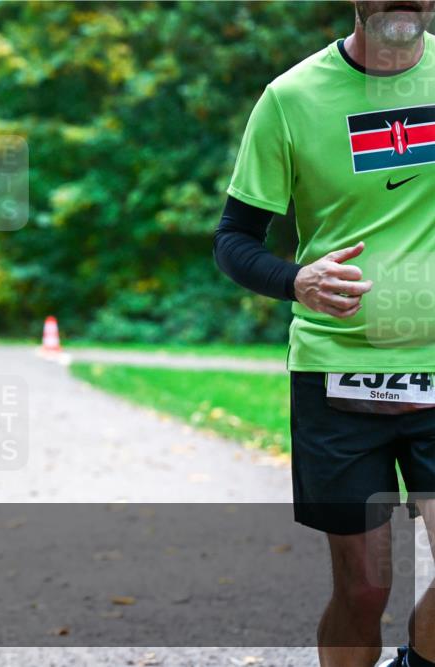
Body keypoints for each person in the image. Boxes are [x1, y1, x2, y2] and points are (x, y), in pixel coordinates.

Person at [214, 3, 434, 666]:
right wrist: (296, 280)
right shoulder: (291, 98)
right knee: (364, 589)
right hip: (337, 375)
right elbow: (234, 240)